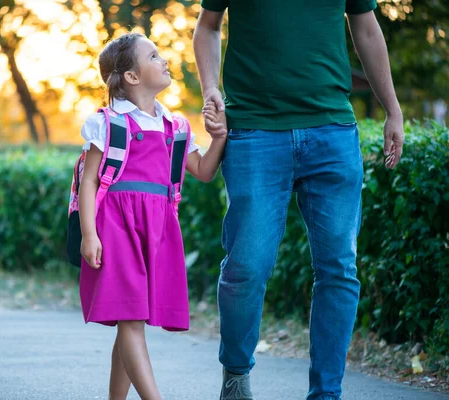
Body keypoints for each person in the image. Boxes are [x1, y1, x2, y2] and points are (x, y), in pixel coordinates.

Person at [192, 1, 405, 399]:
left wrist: (393, 109)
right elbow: (207, 27)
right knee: (247, 264)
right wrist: (210, 89)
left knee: (339, 268)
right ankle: (236, 374)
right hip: (255, 130)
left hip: (332, 132)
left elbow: (367, 29)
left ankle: (326, 393)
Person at [77, 32, 227, 400]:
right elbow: (89, 181)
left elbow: (204, 171)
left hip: (157, 229)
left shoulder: (174, 127)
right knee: (130, 318)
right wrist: (89, 235)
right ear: (131, 76)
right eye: (155, 55)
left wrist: (219, 136)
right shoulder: (109, 123)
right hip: (116, 227)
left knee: (132, 318)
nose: (165, 60)